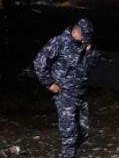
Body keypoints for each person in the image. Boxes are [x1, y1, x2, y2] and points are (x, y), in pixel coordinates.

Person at [33, 18, 97, 158]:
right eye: (83, 37)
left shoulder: (85, 44)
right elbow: (39, 62)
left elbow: (92, 64)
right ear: (75, 31)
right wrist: (49, 83)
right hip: (65, 94)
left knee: (84, 131)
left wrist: (89, 52)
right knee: (69, 134)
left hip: (81, 93)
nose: (85, 40)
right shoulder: (59, 42)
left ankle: (69, 153)